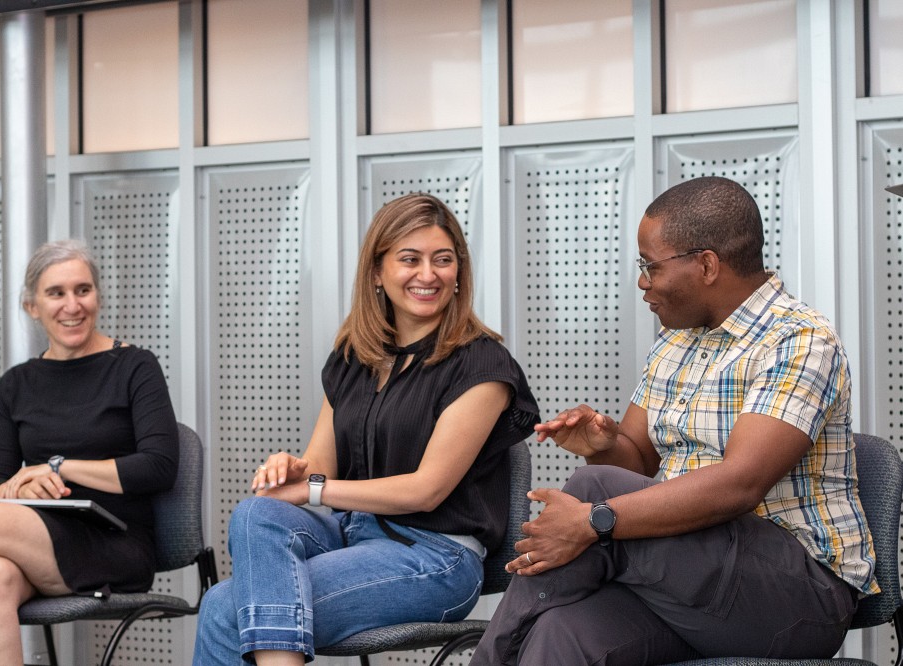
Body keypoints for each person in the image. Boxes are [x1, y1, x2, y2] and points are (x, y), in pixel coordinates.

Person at [470, 176, 878, 665]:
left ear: (706, 265)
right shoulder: (677, 339)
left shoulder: (799, 340)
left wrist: (594, 521)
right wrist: (604, 445)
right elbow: (640, 465)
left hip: (795, 596)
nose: (642, 282)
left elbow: (740, 484)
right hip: (684, 582)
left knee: (592, 489)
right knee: (562, 633)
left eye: (650, 265)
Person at [192, 193, 540, 666]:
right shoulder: (354, 357)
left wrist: (314, 489)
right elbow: (319, 467)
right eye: (410, 259)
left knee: (224, 610)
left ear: (459, 270)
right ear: (377, 271)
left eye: (442, 260)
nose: (428, 274)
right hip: (355, 534)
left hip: (435, 558)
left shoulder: (482, 363)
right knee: (257, 513)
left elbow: (427, 491)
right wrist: (293, 471)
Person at [0, 239, 179, 665]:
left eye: (83, 290)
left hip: (117, 542)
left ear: (97, 296)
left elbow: (159, 466)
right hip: (42, 538)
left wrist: (60, 468)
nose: (72, 305)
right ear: (32, 306)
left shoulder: (135, 366)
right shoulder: (16, 384)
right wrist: (22, 486)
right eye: (56, 293)